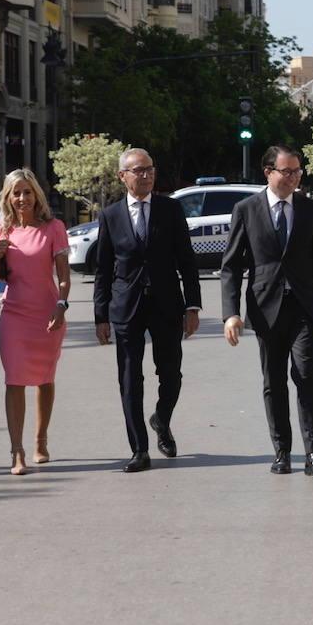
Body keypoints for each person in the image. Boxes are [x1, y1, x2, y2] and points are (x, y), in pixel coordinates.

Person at [221, 146, 313, 480]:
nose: (292, 179)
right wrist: (231, 313)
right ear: (268, 171)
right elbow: (231, 266)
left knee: (307, 375)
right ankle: (282, 452)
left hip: (305, 307)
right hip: (266, 308)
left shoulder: (310, 210)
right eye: (286, 172)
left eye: (297, 172)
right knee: (273, 381)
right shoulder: (246, 209)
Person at [93, 148, 202, 473]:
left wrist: (192, 305)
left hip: (167, 304)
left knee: (171, 374)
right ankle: (139, 449)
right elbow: (103, 268)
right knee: (129, 378)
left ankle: (161, 419)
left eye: (149, 169)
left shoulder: (170, 210)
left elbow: (187, 261)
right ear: (122, 176)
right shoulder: (110, 216)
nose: (145, 175)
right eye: (138, 170)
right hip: (126, 307)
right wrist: (101, 315)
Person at [0, 168, 71, 476]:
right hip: (13, 314)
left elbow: (63, 278)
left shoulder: (54, 227)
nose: (22, 198)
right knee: (14, 379)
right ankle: (17, 451)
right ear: (8, 198)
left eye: (27, 192)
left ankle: (40, 439)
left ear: (36, 195)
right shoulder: (3, 228)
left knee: (44, 378)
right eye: (16, 193)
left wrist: (61, 306)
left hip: (47, 313)